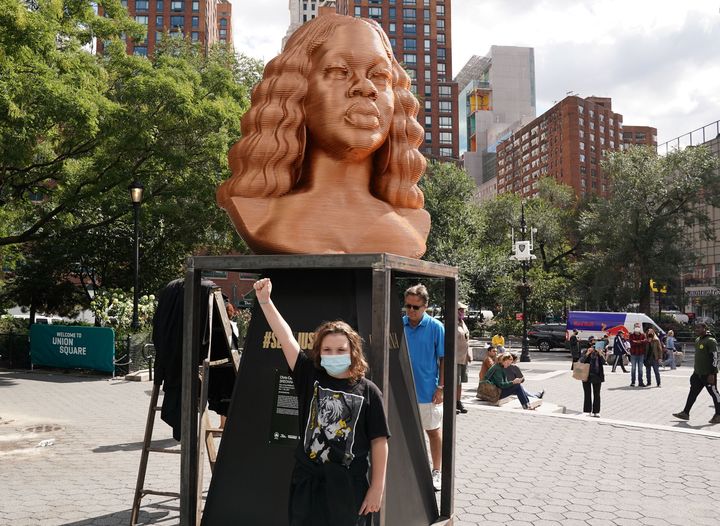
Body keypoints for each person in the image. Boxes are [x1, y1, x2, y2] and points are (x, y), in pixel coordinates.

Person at [216, 14, 430, 258]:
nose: (365, 87)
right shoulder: (257, 216)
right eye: (340, 70)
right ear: (297, 91)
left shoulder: (412, 226)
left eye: (379, 76)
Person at [253, 278, 390, 525]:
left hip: (349, 486)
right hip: (308, 483)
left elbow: (379, 441)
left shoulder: (369, 391)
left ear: (353, 352)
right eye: (327, 350)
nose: (334, 354)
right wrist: (265, 302)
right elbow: (286, 338)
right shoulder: (308, 376)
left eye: (340, 350)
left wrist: (377, 487)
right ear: (319, 352)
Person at [402, 284, 445, 491]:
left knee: (433, 432)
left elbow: (444, 359)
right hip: (402, 391)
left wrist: (441, 387)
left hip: (427, 391)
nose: (410, 311)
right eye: (408, 306)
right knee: (403, 433)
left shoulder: (436, 327)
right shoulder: (398, 325)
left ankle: (437, 471)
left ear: (425, 306)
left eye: (415, 307)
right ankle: (409, 471)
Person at [673, 322, 720, 424]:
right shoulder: (698, 340)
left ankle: (718, 414)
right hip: (698, 373)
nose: (697, 330)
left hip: (708, 374)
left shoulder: (711, 341)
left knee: (714, 393)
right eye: (696, 328)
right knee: (692, 393)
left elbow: (715, 357)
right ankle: (685, 413)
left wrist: (712, 373)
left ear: (705, 328)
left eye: (699, 328)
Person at [579, 338, 606, 417]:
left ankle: (596, 411)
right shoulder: (585, 351)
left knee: (596, 394)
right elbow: (581, 361)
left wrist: (601, 354)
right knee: (587, 393)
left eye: (595, 344)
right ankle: (587, 410)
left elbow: (605, 362)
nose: (593, 346)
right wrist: (587, 353)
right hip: (586, 374)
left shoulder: (599, 352)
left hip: (597, 375)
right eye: (592, 343)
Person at [455, 302, 472, 414]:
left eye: (463, 310)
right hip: (454, 358)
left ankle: (458, 401)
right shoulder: (451, 323)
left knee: (460, 382)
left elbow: (467, 339)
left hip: (463, 358)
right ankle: (451, 403)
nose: (462, 312)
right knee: (454, 382)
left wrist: (469, 354)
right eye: (460, 310)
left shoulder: (462, 323)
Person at [628, 323, 648, 387]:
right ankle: (633, 382)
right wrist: (640, 342)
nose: (637, 328)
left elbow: (645, 342)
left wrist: (637, 342)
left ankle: (640, 382)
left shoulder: (643, 335)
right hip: (633, 354)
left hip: (641, 354)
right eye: (636, 327)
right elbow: (632, 343)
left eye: (638, 327)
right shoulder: (631, 335)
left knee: (640, 369)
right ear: (634, 328)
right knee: (633, 368)